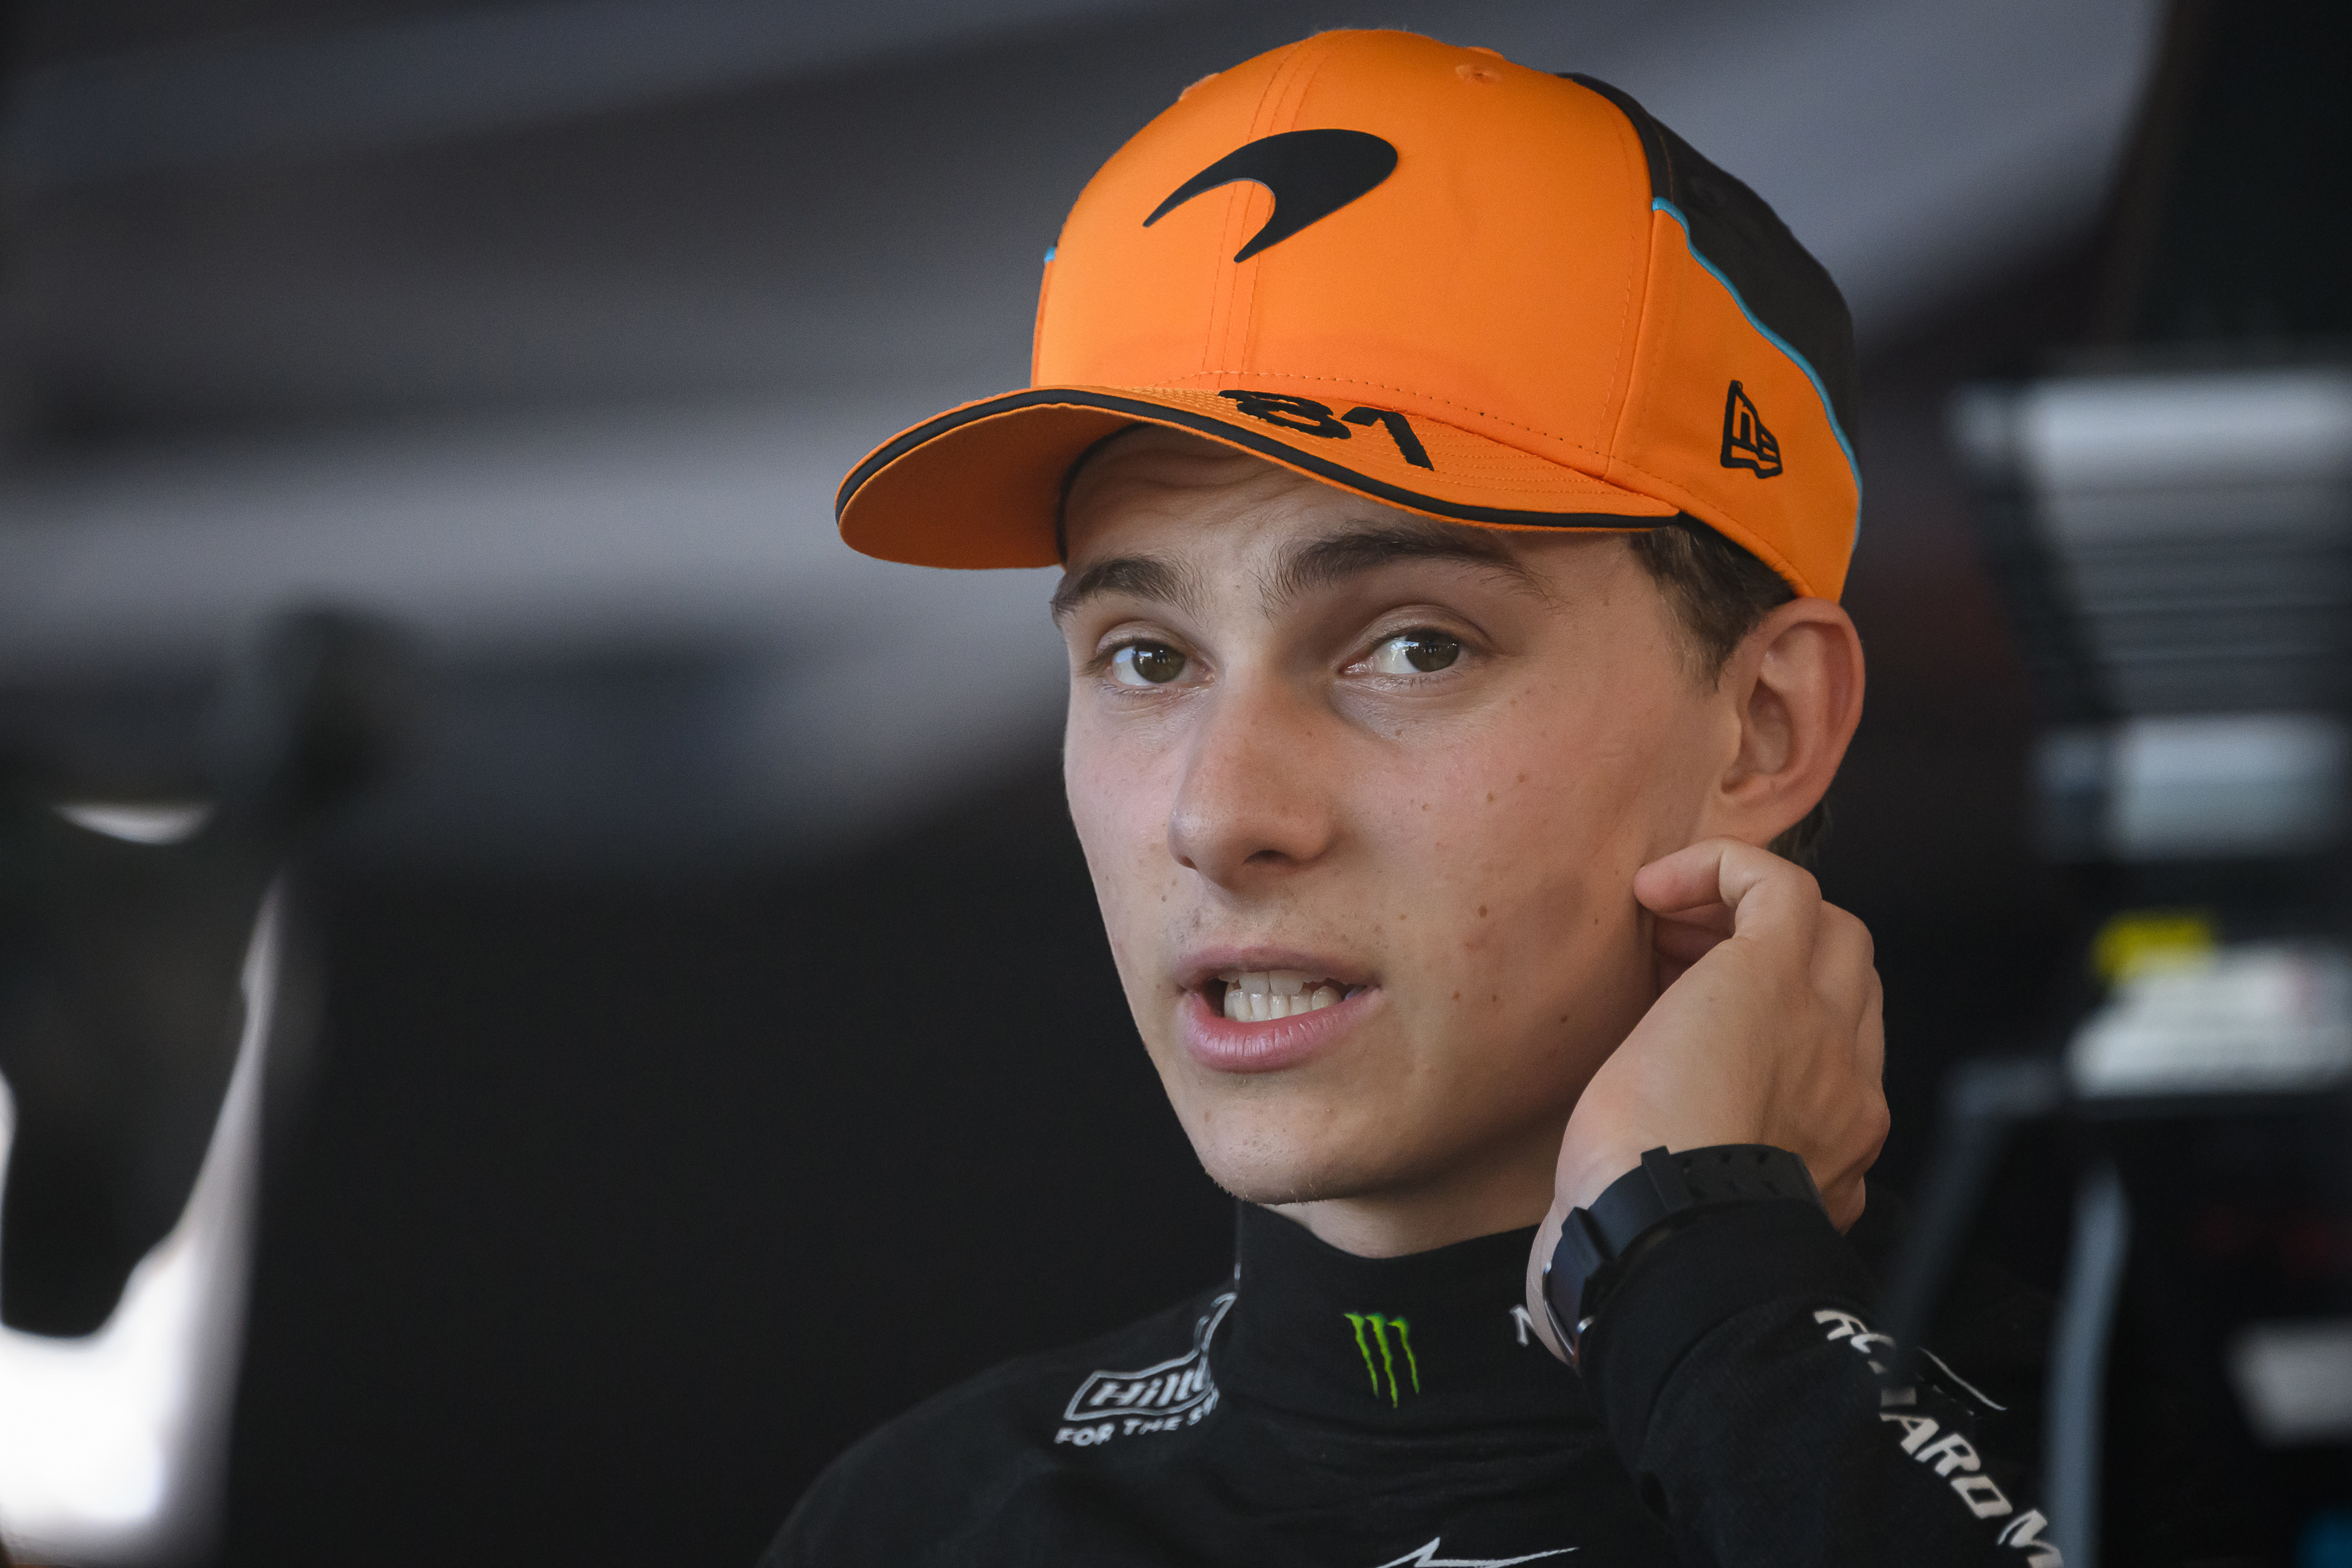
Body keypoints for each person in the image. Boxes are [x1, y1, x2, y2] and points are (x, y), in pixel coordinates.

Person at [767, 29, 2062, 1565]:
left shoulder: (2132, 1441)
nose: (1219, 814)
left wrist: (1706, 1274)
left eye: (1412, 644)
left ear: (1764, 729)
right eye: (1144, 654)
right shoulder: (924, 1528)